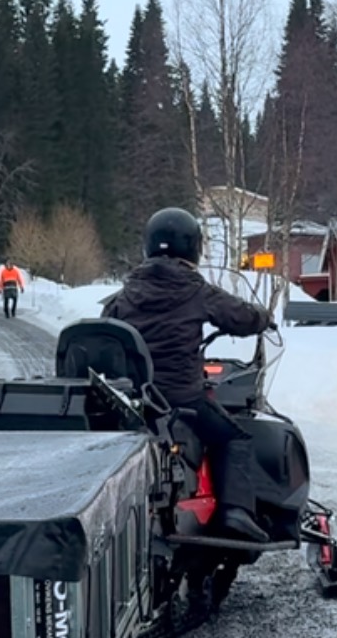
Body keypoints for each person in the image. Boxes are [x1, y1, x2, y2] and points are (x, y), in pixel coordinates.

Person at [102, 206, 276, 542]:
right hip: (183, 396)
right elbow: (237, 316)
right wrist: (262, 317)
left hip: (137, 399)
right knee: (232, 438)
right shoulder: (194, 288)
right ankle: (235, 512)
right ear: (192, 247)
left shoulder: (126, 293)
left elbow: (107, 328)